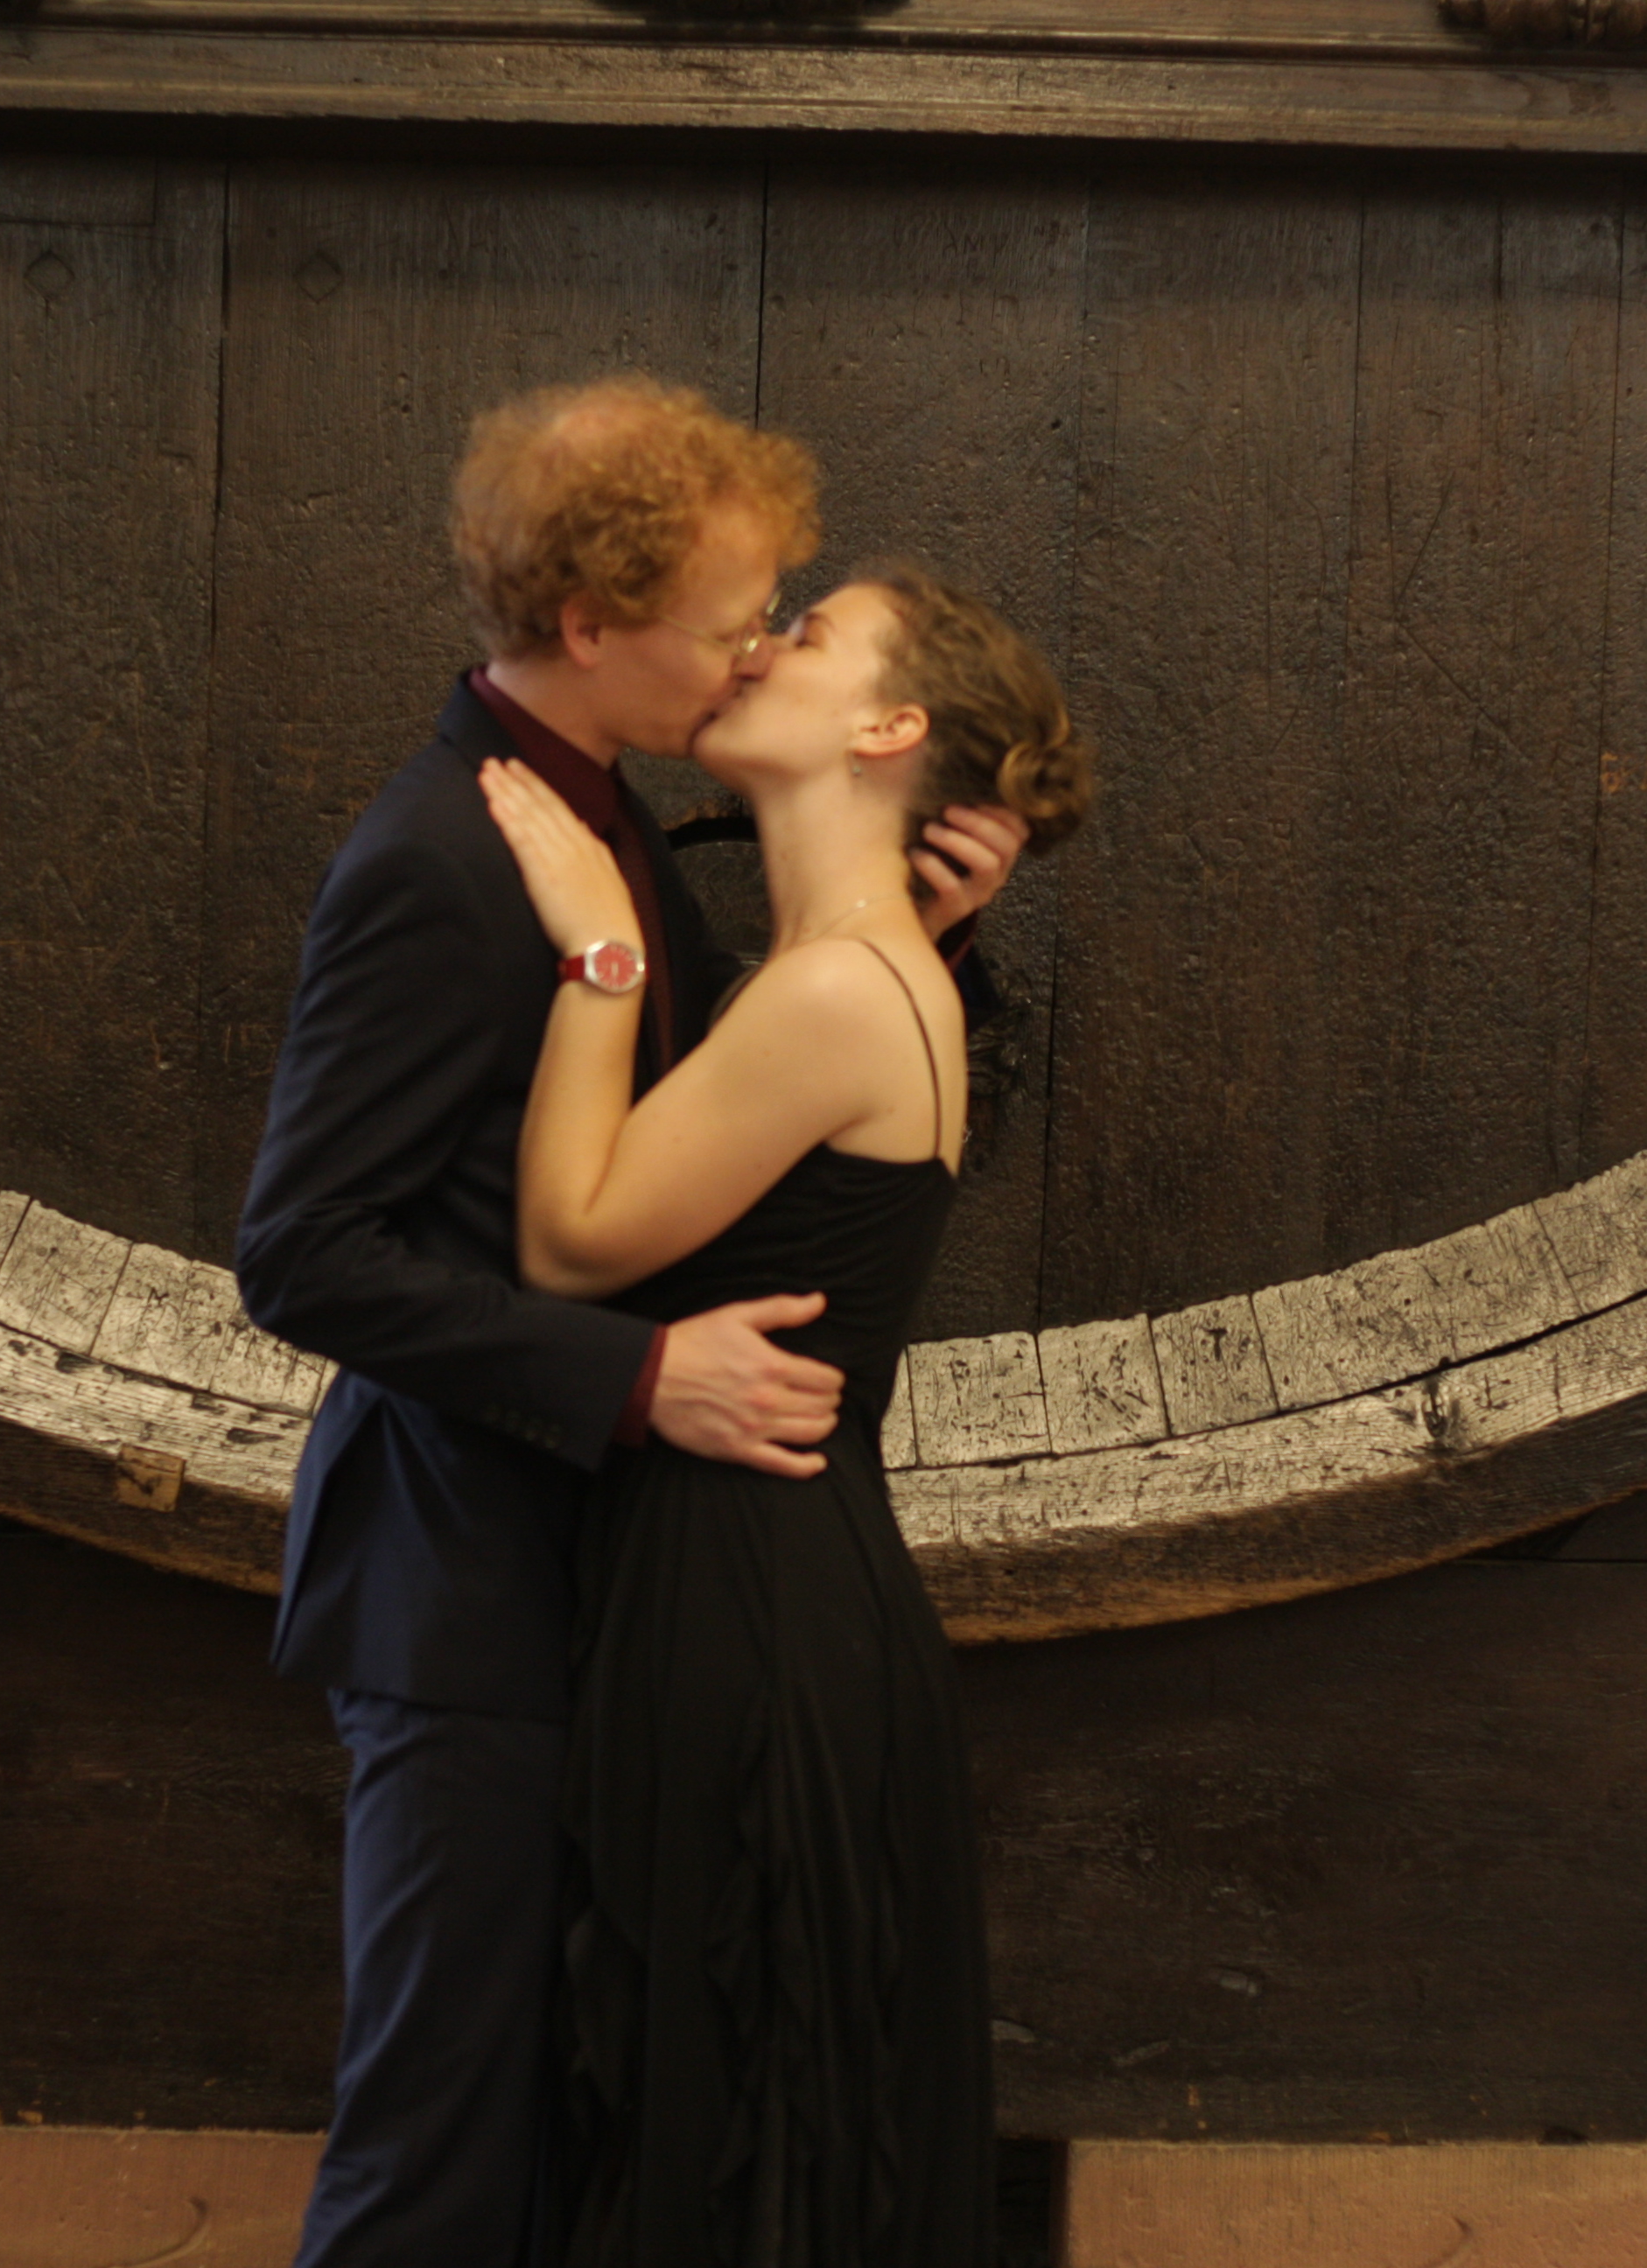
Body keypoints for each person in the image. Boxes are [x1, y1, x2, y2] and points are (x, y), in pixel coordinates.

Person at [233, 380, 1028, 2268]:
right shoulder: (443, 858)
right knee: (438, 2156)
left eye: (782, 619)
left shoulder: (621, 829)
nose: (756, 644)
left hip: (604, 1590)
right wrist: (640, 1376)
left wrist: (925, 929)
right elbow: (303, 1252)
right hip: (463, 1599)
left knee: (569, 2151)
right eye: (738, 615)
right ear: (593, 627)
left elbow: (750, 1103)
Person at [475, 559, 1094, 2267]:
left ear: (889, 729)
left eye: (809, 634)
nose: (760, 646)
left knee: (722, 2105)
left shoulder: (839, 987)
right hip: (771, 1576)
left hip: (744, 1598)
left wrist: (600, 956)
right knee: (749, 2099)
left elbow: (570, 1242)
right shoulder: (854, 968)